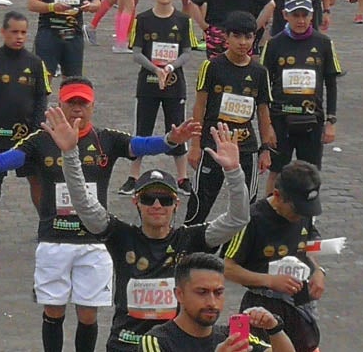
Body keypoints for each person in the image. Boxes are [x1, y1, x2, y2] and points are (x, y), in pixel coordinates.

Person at [0, 77, 196, 352]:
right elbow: (1, 160)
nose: (77, 110)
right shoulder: (40, 140)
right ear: (60, 104)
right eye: (71, 103)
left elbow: (140, 145)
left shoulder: (106, 139)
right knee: (54, 311)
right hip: (54, 240)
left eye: (83, 104)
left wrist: (170, 140)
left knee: (88, 314)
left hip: (94, 243)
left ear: (92, 106)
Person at [44, 105, 249, 352]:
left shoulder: (190, 239)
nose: (156, 205)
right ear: (136, 202)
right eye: (148, 198)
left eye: (164, 199)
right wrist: (69, 154)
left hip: (171, 346)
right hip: (126, 345)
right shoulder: (121, 235)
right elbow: (84, 205)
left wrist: (233, 171)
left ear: (176, 204)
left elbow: (238, 219)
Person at [221, 161, 326, 352]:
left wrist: (318, 271)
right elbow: (227, 268)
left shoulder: (304, 211)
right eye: (297, 211)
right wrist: (269, 280)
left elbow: (305, 247)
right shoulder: (251, 219)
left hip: (299, 302)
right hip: (263, 306)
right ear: (277, 195)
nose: (302, 216)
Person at [0, 10, 49, 245]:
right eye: (14, 32)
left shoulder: (35, 63)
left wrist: (38, 134)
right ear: (3, 32)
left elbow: (42, 99)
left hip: (28, 137)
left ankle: (45, 224)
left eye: (23, 32)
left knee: (36, 179)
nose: (19, 37)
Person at [187, 11, 273, 223]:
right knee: (200, 203)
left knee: (247, 205)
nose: (243, 43)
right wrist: (195, 145)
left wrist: (265, 149)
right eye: (237, 36)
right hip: (212, 144)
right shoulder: (211, 67)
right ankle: (188, 250)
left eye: (248, 37)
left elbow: (263, 113)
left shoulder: (260, 72)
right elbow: (200, 106)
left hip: (246, 147)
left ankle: (236, 252)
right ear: (226, 37)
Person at [119, 0, 198, 195]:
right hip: (148, 84)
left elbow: (187, 52)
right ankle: (133, 177)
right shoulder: (143, 19)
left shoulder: (183, 20)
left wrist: (170, 68)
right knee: (141, 130)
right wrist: (155, 68)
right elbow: (136, 53)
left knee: (177, 129)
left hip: (174, 85)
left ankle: (182, 178)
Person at [259, 0, 341, 190]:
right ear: (285, 16)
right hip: (281, 119)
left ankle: (308, 218)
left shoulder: (324, 43)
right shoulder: (274, 45)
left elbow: (331, 83)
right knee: (276, 171)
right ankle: (271, 216)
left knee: (310, 172)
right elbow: (263, 86)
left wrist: (331, 122)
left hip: (312, 118)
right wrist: (267, 125)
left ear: (312, 16)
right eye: (296, 15)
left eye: (306, 15)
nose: (301, 20)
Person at [138, 253, 291, 352]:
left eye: (218, 293)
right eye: (202, 292)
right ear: (179, 294)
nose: (212, 302)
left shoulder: (232, 337)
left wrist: (274, 328)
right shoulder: (157, 341)